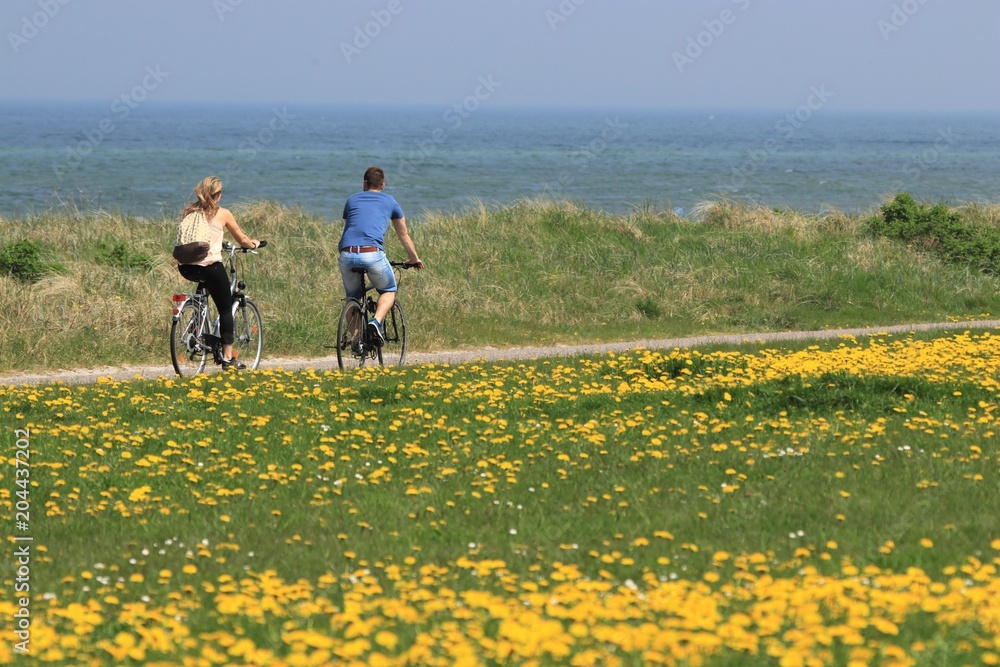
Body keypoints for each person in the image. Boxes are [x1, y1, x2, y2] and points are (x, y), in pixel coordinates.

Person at [176, 176, 260, 370]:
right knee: (225, 307)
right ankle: (228, 357)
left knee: (203, 295)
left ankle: (197, 327)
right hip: (210, 265)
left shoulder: (190, 210)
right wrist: (254, 243)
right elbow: (243, 239)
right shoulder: (223, 213)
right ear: (218, 194)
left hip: (186, 266)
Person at [339, 166, 423, 346]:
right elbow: (403, 234)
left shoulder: (352, 200)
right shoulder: (390, 201)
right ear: (382, 185)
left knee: (352, 297)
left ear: (364, 184)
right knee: (388, 290)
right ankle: (375, 322)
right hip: (372, 254)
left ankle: (357, 341)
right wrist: (414, 258)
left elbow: (353, 224)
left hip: (347, 254)